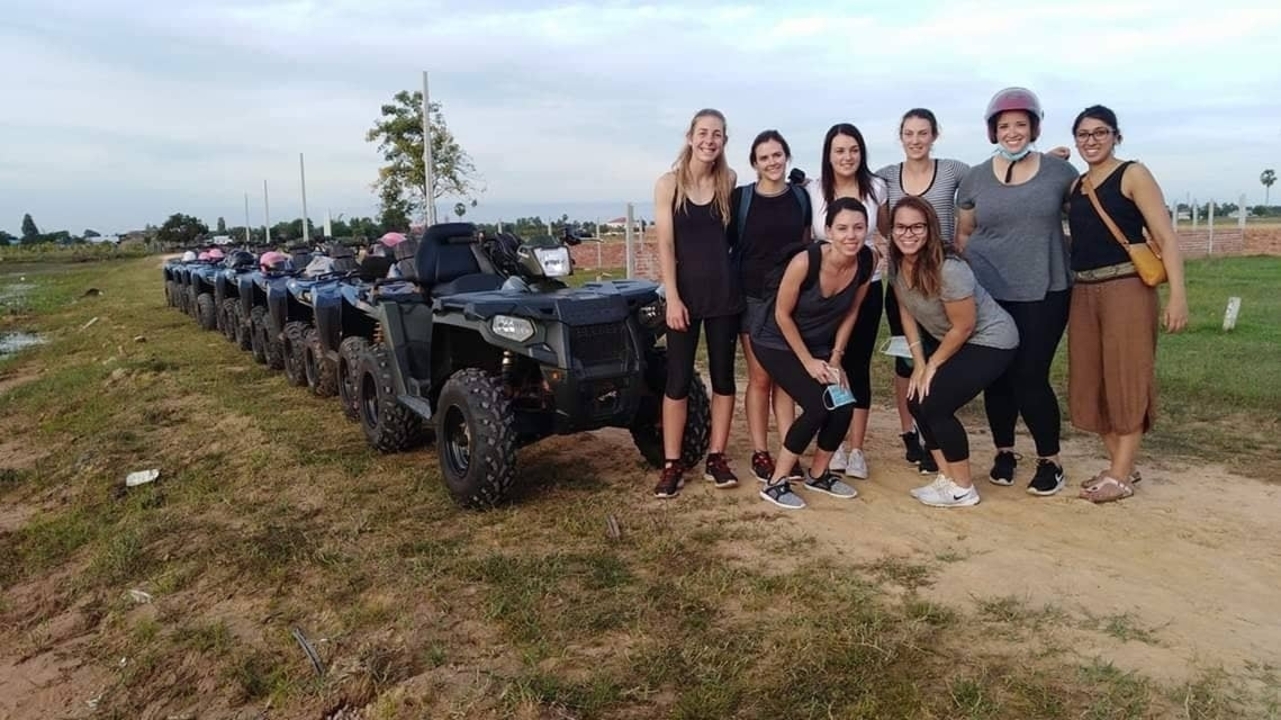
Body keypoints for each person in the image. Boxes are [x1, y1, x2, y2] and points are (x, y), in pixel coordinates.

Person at [955, 86, 1079, 496]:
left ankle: (1050, 459)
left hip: (1045, 288)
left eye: (1020, 125)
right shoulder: (974, 177)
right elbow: (965, 233)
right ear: (993, 130)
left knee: (1030, 375)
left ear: (1034, 128)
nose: (1012, 132)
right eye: (1004, 125)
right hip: (990, 290)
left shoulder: (1060, 173)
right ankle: (1004, 451)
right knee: (998, 377)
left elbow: (1083, 220)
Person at [1065, 105, 1188, 503]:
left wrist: (1178, 297)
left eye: (1100, 132)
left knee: (1127, 376)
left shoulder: (1132, 173)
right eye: (1083, 134)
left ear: (1116, 135)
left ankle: (1118, 475)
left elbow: (1166, 237)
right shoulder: (1076, 185)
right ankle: (1121, 464)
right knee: (1092, 378)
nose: (1091, 141)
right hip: (1083, 290)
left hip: (1127, 288)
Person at [888, 197, 1019, 507]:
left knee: (935, 403)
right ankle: (946, 478)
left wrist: (933, 364)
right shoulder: (897, 265)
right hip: (955, 340)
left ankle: (963, 487)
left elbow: (964, 326)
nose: (909, 233)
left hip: (991, 340)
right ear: (891, 230)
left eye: (917, 226)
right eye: (901, 227)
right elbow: (906, 312)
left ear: (930, 229)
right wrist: (919, 363)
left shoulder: (949, 268)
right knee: (916, 401)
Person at [752, 197, 874, 510]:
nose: (851, 235)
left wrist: (835, 358)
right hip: (775, 340)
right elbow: (781, 314)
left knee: (844, 404)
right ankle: (776, 482)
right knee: (818, 406)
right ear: (829, 230)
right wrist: (807, 362)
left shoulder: (867, 261)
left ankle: (819, 474)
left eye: (858, 228)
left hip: (821, 345)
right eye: (843, 228)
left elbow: (852, 311)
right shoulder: (805, 262)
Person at [875, 108, 972, 477]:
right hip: (904, 283)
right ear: (900, 136)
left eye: (923, 133)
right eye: (909, 133)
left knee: (941, 357)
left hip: (943, 281)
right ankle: (909, 432)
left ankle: (936, 429)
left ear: (935, 135)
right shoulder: (886, 176)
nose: (916, 140)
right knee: (906, 360)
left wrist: (1044, 158)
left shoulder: (953, 170)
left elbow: (992, 175)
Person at [652, 108, 743, 498]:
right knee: (677, 381)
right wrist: (672, 296)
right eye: (703, 133)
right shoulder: (668, 184)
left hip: (724, 295)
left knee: (723, 379)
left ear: (724, 141)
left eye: (717, 135)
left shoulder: (730, 181)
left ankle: (716, 457)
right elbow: (666, 244)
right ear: (690, 136)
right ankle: (672, 463)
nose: (710, 140)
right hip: (683, 297)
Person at [728, 130, 812, 482]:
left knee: (787, 381)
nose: (772, 162)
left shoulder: (801, 198)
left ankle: (787, 453)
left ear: (786, 156)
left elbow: (807, 244)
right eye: (764, 157)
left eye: (777, 155)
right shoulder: (740, 199)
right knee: (761, 377)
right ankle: (760, 453)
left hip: (790, 299)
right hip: (752, 298)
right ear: (755, 163)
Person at [805, 123, 887, 481]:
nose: (846, 157)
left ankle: (856, 449)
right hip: (826, 291)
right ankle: (833, 440)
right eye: (839, 150)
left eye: (853, 149)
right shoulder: (813, 190)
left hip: (867, 285)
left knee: (857, 364)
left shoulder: (878, 188)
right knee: (829, 364)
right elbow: (807, 237)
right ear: (828, 154)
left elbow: (884, 230)